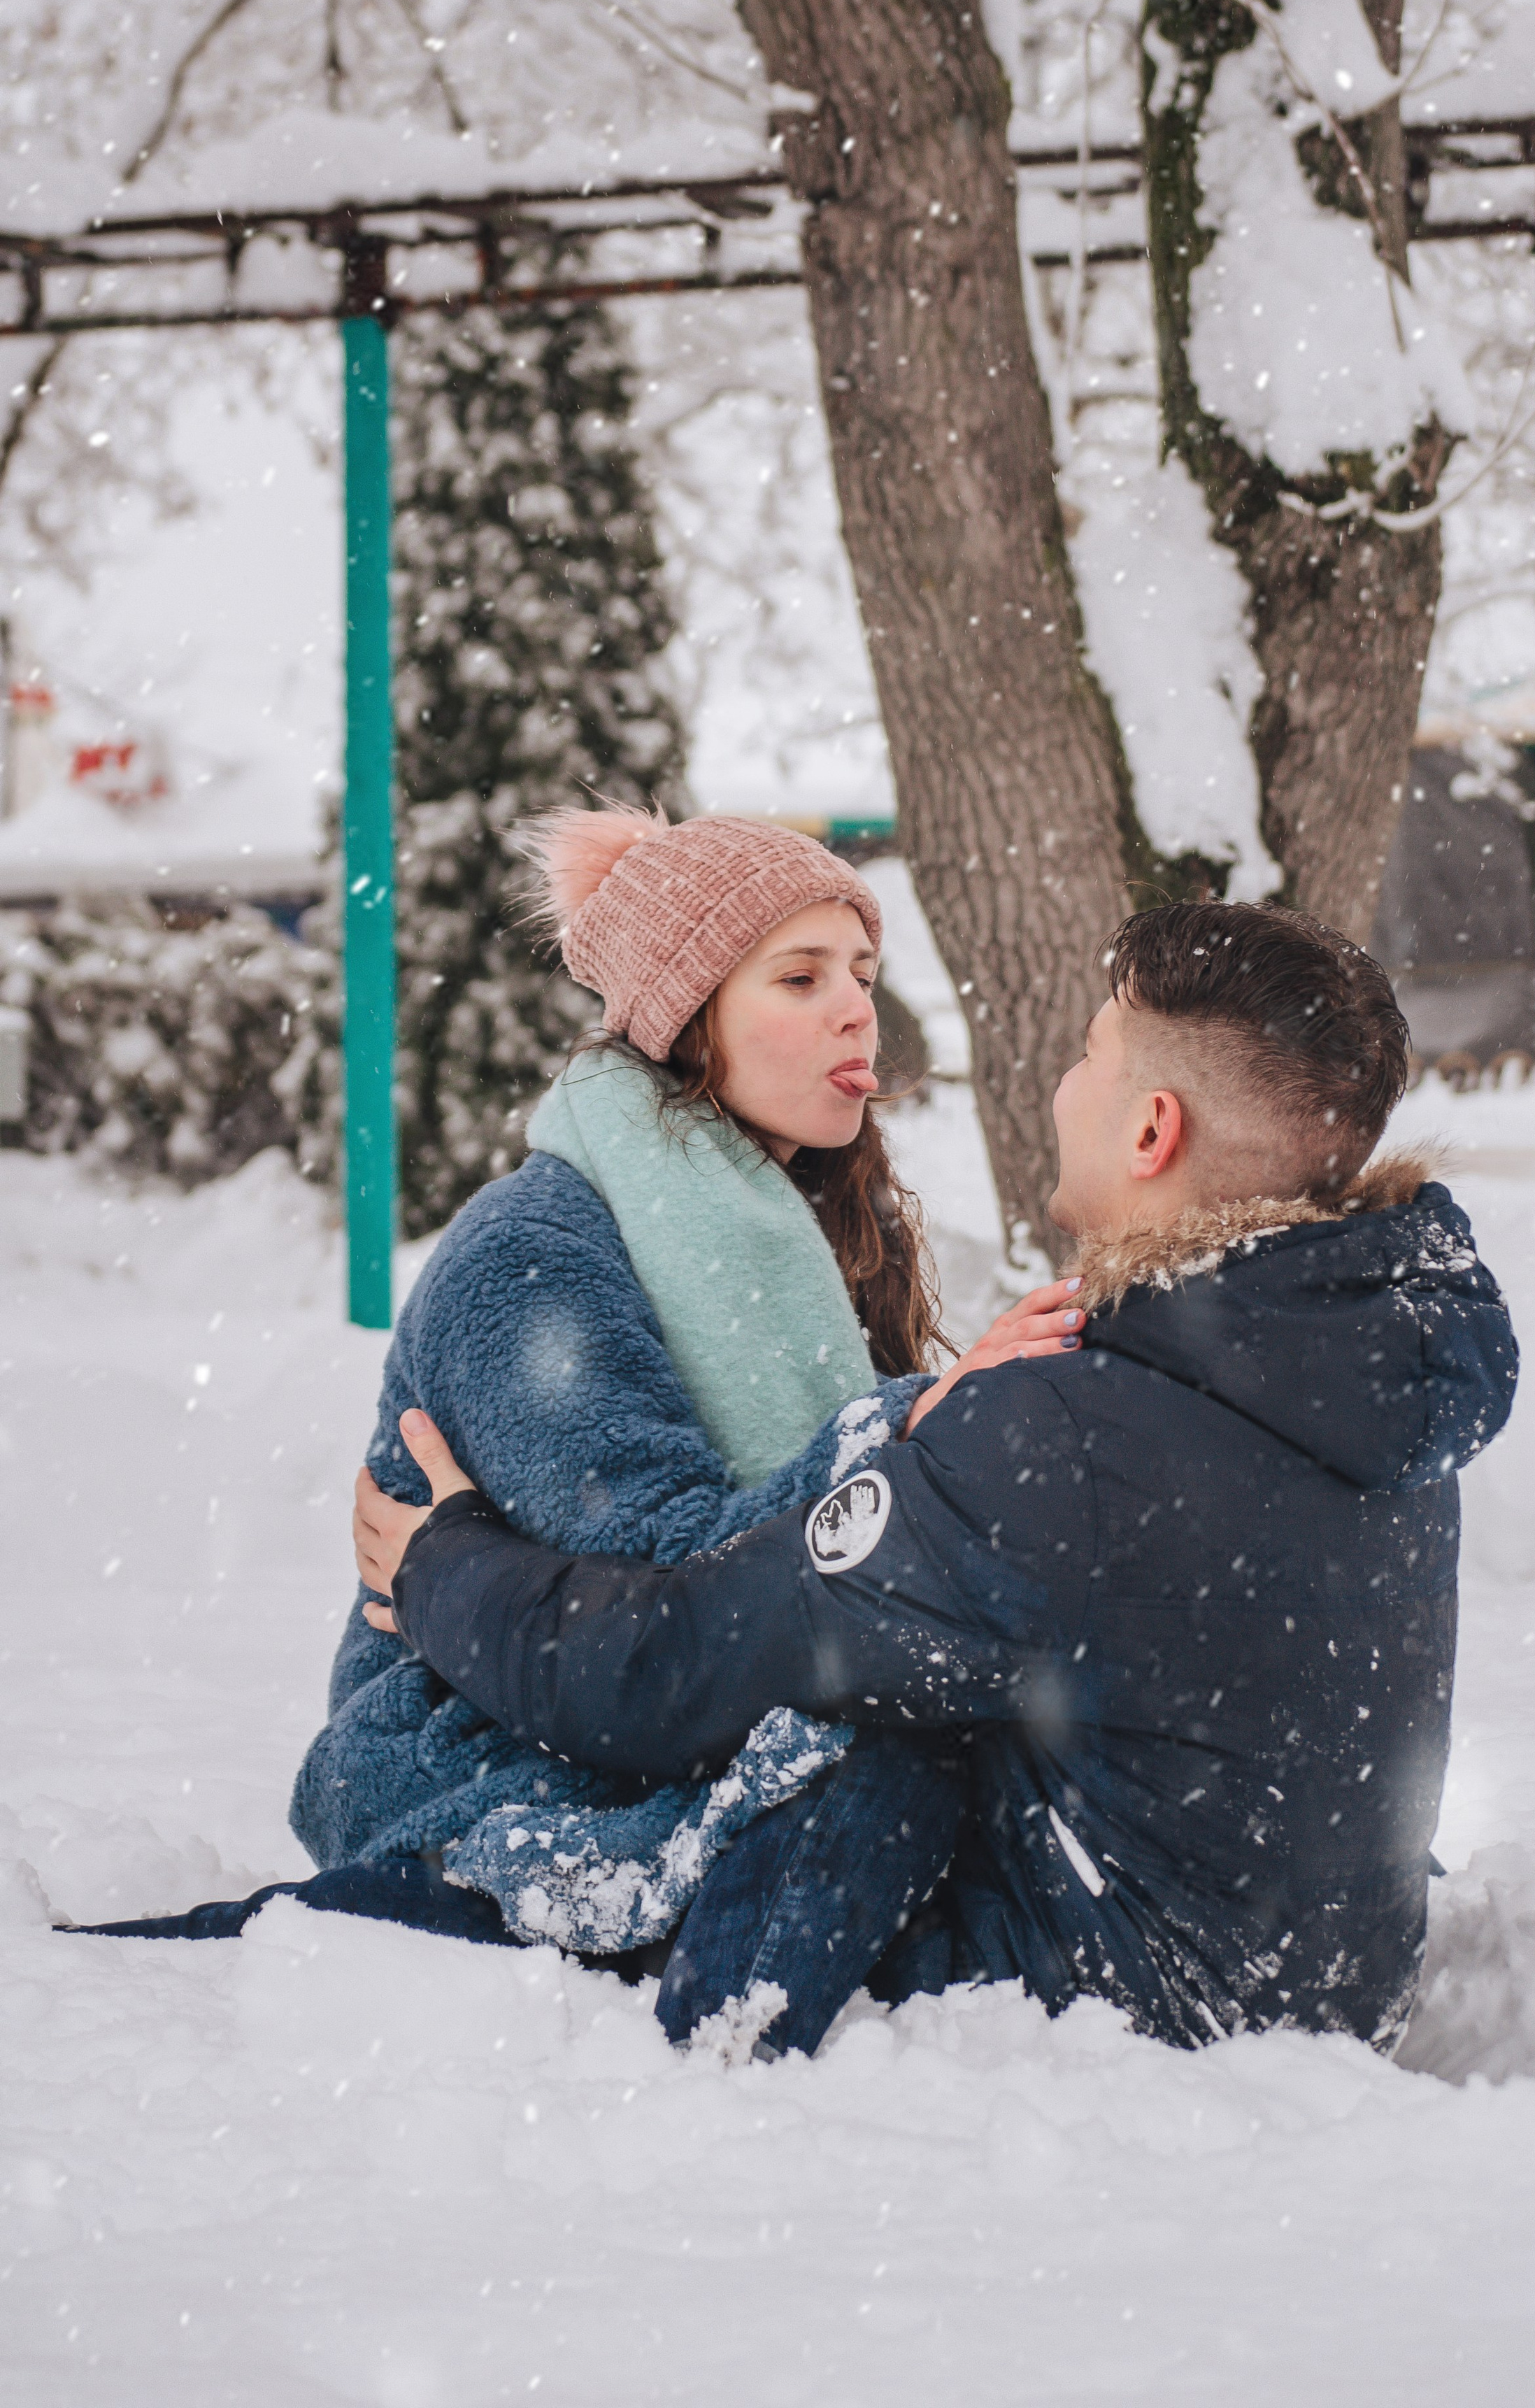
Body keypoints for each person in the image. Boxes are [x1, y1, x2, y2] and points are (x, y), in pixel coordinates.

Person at [355, 899, 1519, 2060]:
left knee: (856, 1739)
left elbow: (676, 1663)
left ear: (1151, 1130)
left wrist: (441, 1566)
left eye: (1086, 1055)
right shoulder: (1354, 1370)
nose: (1064, 1086)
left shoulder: (1064, 1436)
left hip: (1105, 2020)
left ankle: (708, 2073)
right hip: (1316, 1996)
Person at [69, 808, 1078, 1965]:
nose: (857, 1007)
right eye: (799, 978)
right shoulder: (533, 1251)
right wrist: (905, 1429)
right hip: (478, 1760)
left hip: (648, 1714)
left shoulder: (806, 1233)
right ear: (685, 1018)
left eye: (861, 970)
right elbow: (668, 1577)